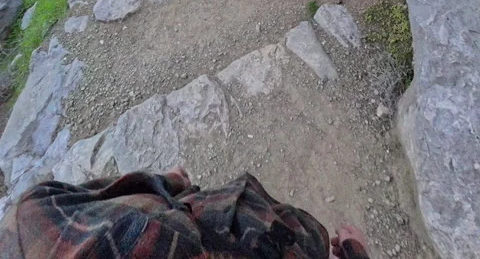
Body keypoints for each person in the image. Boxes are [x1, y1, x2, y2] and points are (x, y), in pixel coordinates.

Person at [0, 167, 371, 259]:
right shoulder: (28, 211)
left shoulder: (30, 212)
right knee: (309, 233)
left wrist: (170, 181)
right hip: (259, 233)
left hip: (206, 212)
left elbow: (114, 188)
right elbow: (117, 189)